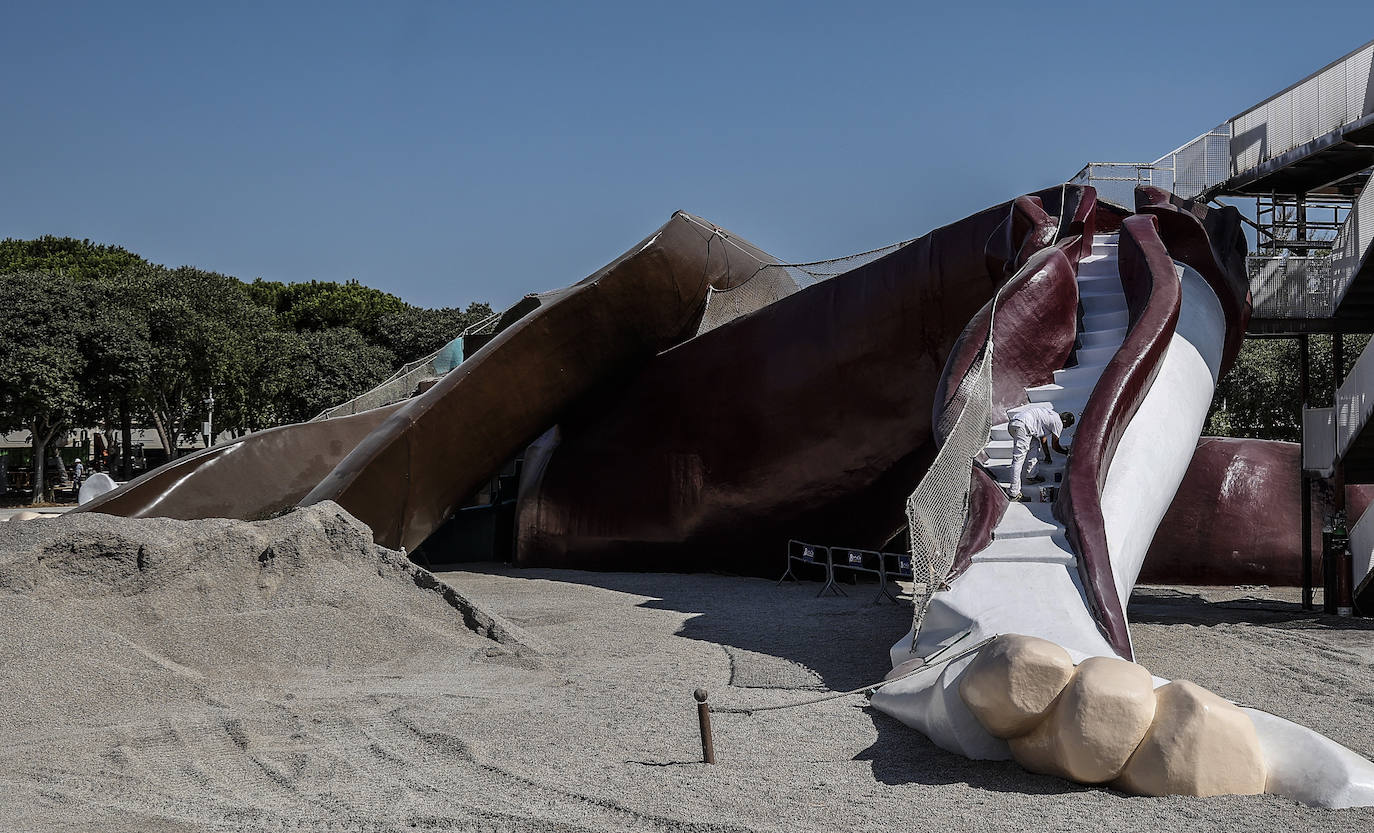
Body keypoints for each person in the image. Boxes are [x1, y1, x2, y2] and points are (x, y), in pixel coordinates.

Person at [1007, 406, 1074, 501]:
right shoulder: (1058, 422)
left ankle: (1031, 475)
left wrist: (1047, 455)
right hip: (1023, 426)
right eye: (1068, 425)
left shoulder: (1050, 416)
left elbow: (1043, 439)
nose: (1066, 428)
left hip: (1016, 423)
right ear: (1065, 421)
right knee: (1018, 459)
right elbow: (1055, 446)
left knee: (1034, 444)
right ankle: (1014, 493)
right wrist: (1066, 452)